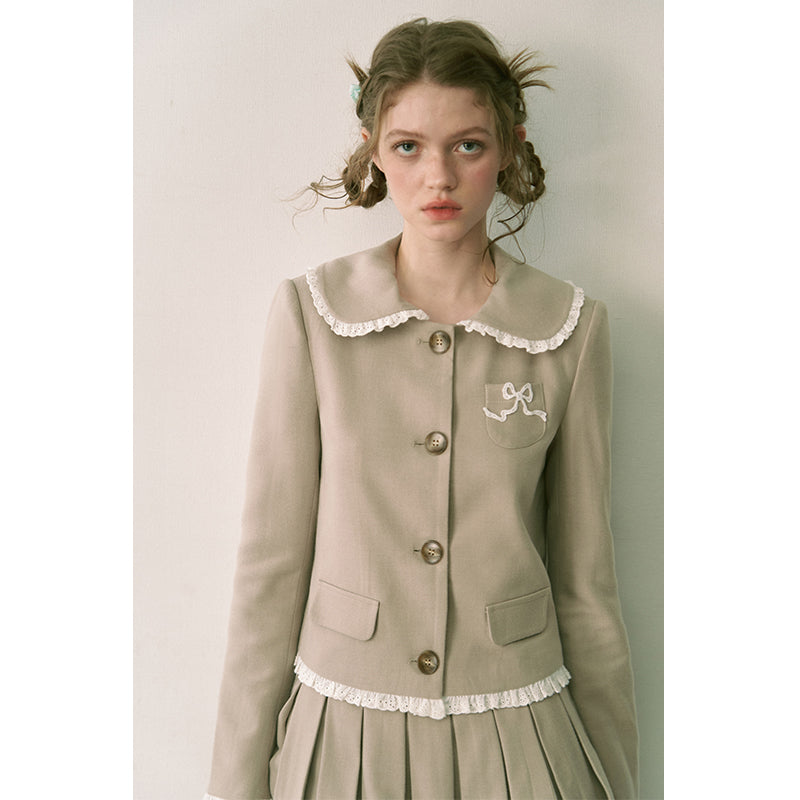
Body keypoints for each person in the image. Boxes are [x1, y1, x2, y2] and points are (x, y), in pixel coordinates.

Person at [205, 17, 638, 800]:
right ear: (374, 149)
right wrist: (236, 786)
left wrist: (618, 779)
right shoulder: (313, 315)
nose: (438, 176)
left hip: (521, 736)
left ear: (509, 147)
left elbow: (587, 584)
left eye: (468, 145)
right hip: (345, 738)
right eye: (408, 146)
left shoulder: (570, 328)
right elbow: (271, 569)